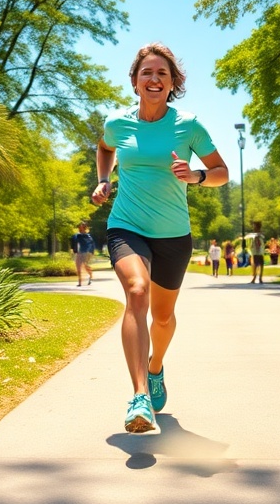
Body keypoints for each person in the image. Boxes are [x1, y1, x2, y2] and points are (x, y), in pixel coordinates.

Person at [90, 43, 229, 433]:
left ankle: (155, 368)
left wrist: (196, 175)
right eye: (146, 73)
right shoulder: (117, 122)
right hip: (126, 225)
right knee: (136, 291)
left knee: (163, 317)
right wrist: (103, 180)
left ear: (173, 84)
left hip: (173, 234)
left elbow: (221, 171)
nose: (154, 80)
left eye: (162, 74)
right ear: (135, 81)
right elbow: (104, 148)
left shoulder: (189, 125)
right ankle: (139, 398)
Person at [70, 221, 96, 287]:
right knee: (78, 267)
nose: (80, 227)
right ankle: (80, 282)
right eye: (79, 226)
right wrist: (73, 250)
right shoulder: (76, 236)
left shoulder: (87, 236)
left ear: (84, 227)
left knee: (85, 265)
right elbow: (73, 244)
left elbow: (91, 244)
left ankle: (90, 276)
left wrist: (91, 252)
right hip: (79, 253)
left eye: (82, 226)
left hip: (86, 252)